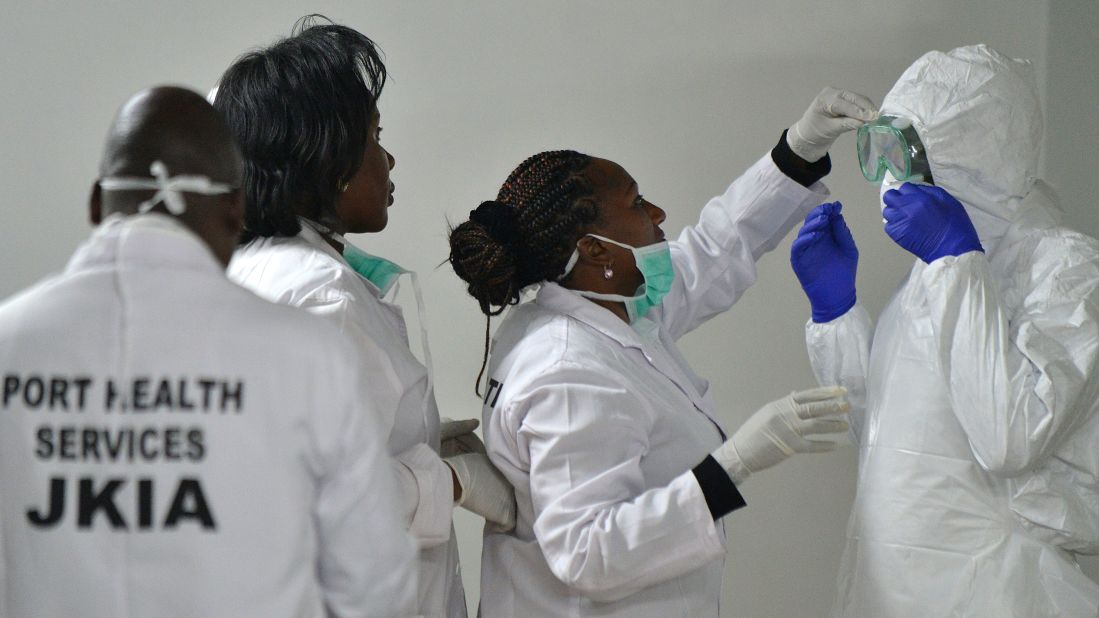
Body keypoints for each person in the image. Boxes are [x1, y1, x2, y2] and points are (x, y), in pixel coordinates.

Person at [447, 86, 874, 615]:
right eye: (635, 202)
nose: (657, 211)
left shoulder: (604, 307)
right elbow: (588, 555)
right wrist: (733, 465)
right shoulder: (568, 371)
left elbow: (711, 251)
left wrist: (796, 152)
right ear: (594, 250)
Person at [0, 86, 416, 617]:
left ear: (95, 204)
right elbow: (373, 586)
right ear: (235, 208)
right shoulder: (308, 357)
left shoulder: (9, 346)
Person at [212, 17, 513, 617]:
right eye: (375, 137)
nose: (390, 157)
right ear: (324, 159)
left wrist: (424, 437)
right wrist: (452, 481)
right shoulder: (323, 297)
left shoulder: (249, 271)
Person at [790, 44, 1099, 616]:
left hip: (993, 589)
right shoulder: (930, 277)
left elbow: (1009, 438)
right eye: (875, 150)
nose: (885, 176)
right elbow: (888, 439)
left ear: (971, 153)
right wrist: (838, 319)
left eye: (902, 152)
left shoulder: (1065, 270)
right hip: (889, 586)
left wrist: (957, 262)